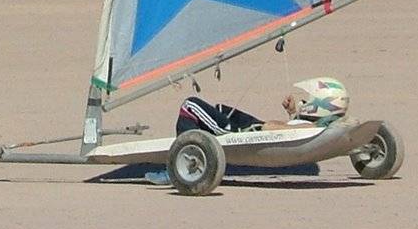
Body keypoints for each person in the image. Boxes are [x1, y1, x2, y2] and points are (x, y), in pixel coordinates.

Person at [146, 77, 349, 186]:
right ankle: (189, 155)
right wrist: (293, 113)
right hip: (252, 125)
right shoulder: (315, 126)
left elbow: (300, 132)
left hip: (244, 133)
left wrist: (269, 126)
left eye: (308, 100)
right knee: (219, 110)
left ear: (321, 105)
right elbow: (297, 131)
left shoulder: (314, 128)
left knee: (190, 105)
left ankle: (179, 165)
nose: (304, 102)